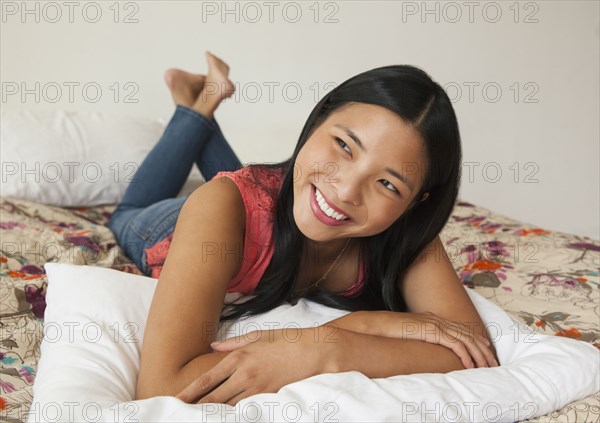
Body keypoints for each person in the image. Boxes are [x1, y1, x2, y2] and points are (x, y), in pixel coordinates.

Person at [108, 52, 499, 407]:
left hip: (271, 200)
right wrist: (366, 325)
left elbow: (469, 348)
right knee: (126, 212)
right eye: (344, 145)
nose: (346, 191)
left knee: (265, 187)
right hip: (168, 227)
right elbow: (162, 388)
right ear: (317, 120)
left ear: (416, 203)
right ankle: (200, 102)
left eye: (388, 184)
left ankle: (202, 99)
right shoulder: (221, 206)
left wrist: (330, 347)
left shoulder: (406, 236)